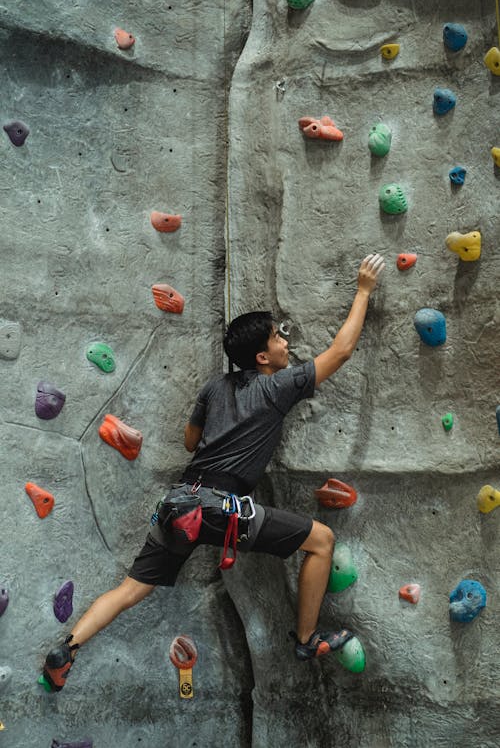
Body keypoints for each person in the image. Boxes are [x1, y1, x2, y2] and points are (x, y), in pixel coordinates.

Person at [41, 253, 384, 691]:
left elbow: (190, 442)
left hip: (178, 501)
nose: (285, 341)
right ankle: (306, 638)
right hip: (221, 508)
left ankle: (66, 649)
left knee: (130, 589)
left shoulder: (213, 388)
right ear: (262, 356)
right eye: (278, 337)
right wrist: (364, 290)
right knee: (322, 541)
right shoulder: (278, 387)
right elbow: (341, 350)